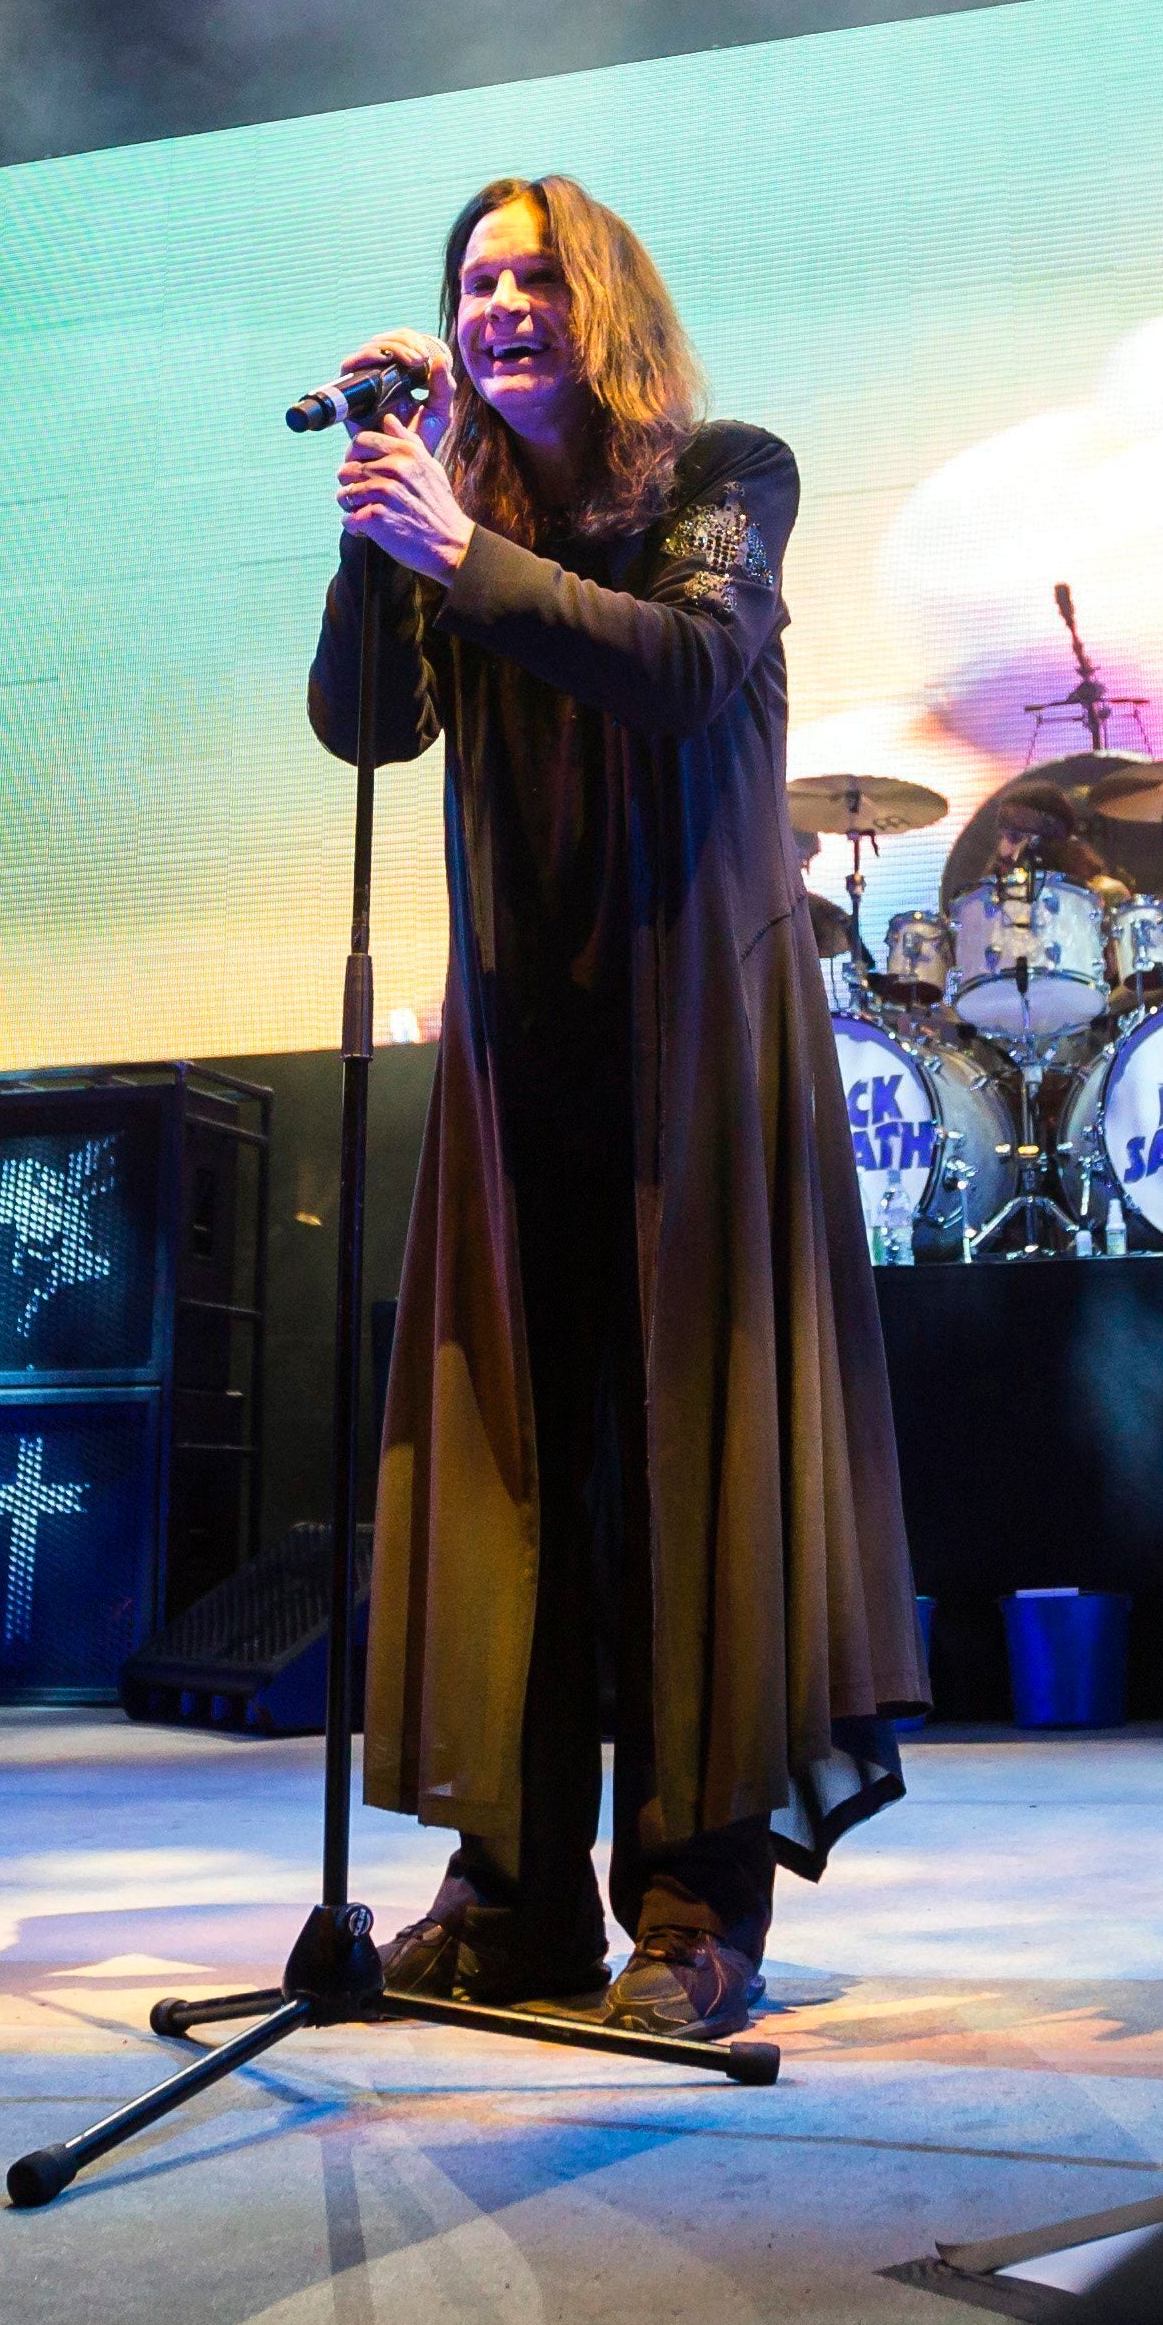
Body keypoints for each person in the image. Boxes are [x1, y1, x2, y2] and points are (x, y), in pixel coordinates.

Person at [308, 175, 922, 2040]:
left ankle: (691, 1898)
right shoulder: (454, 514)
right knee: (520, 1471)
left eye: (530, 275)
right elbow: (362, 725)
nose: (497, 302)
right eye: (471, 280)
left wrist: (455, 548)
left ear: (602, 302)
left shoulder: (729, 472)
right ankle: (515, 1896)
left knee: (683, 1464)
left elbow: (676, 670)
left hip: (691, 1051)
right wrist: (380, 520)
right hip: (522, 1052)